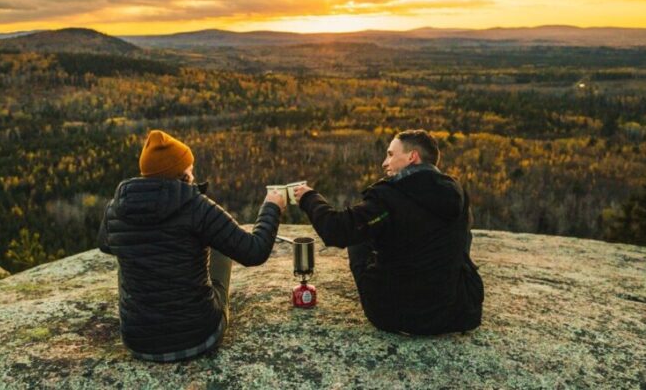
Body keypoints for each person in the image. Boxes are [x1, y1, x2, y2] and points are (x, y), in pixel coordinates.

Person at [98, 130, 285, 362]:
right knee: (219, 244)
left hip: (138, 342)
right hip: (198, 337)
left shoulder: (115, 208)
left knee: (128, 254)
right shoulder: (196, 206)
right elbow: (254, 251)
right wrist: (271, 207)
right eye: (190, 168)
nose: (193, 173)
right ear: (182, 175)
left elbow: (106, 245)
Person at [293, 129, 484, 335]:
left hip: (398, 315)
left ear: (412, 157)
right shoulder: (457, 193)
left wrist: (309, 198)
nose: (385, 163)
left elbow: (337, 230)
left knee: (359, 236)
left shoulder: (388, 198)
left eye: (391, 154)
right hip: (455, 313)